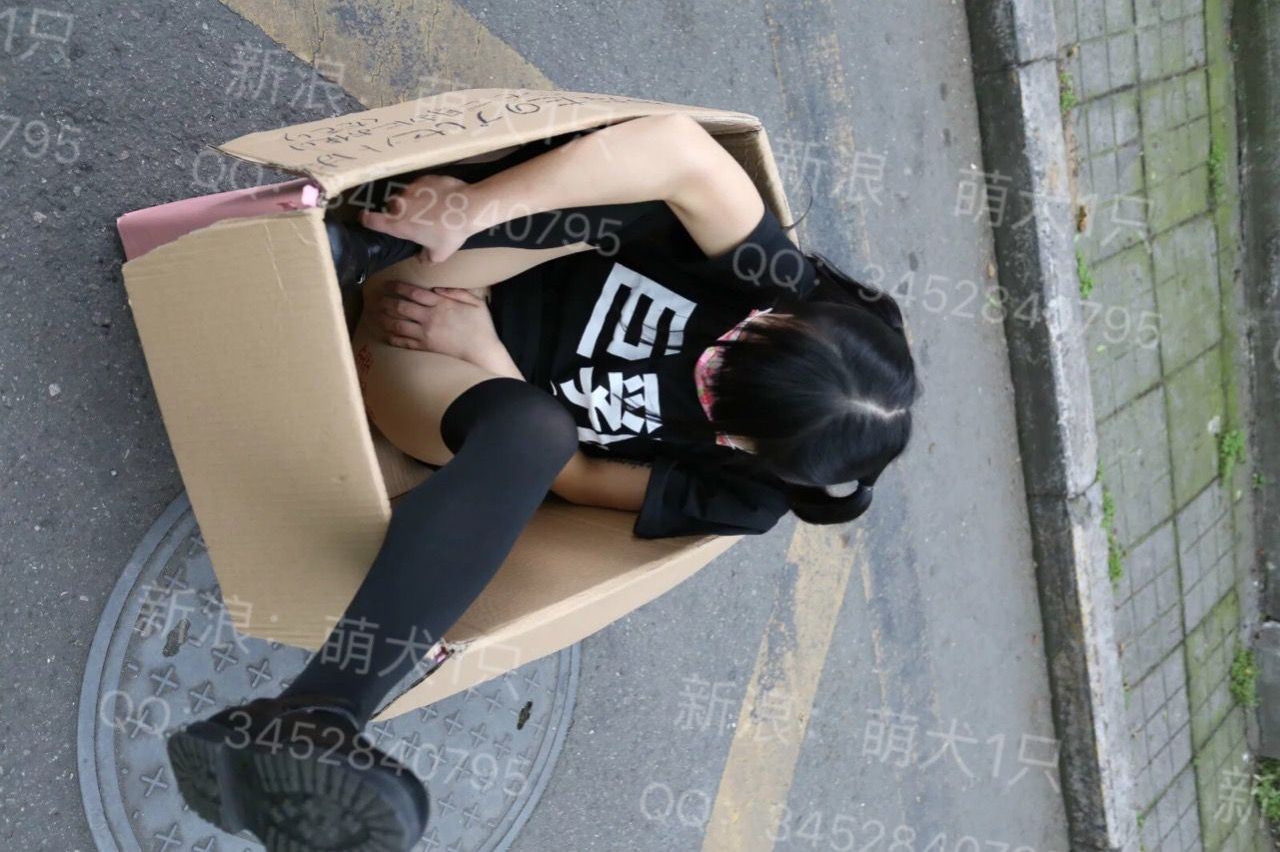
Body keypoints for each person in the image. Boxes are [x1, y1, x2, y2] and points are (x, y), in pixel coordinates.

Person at [164, 113, 919, 852]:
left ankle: (320, 714)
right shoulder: (781, 289)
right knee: (645, 198)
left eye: (721, 389)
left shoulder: (748, 495)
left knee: (539, 433)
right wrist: (473, 207)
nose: (713, 358)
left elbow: (582, 479)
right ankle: (354, 244)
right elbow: (677, 148)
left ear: (744, 443)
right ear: (794, 323)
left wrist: (492, 360)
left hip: (439, 373)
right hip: (440, 253)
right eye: (740, 343)